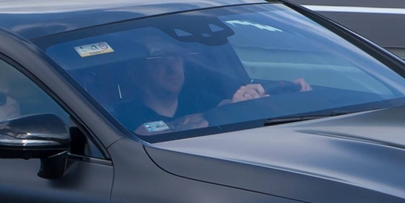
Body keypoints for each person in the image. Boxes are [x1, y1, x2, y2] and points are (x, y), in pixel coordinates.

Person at [119, 46, 307, 133]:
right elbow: (146, 133)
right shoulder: (126, 115)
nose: (172, 69)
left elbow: (226, 106)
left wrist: (244, 101)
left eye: (175, 59)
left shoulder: (196, 98)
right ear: (137, 74)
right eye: (159, 62)